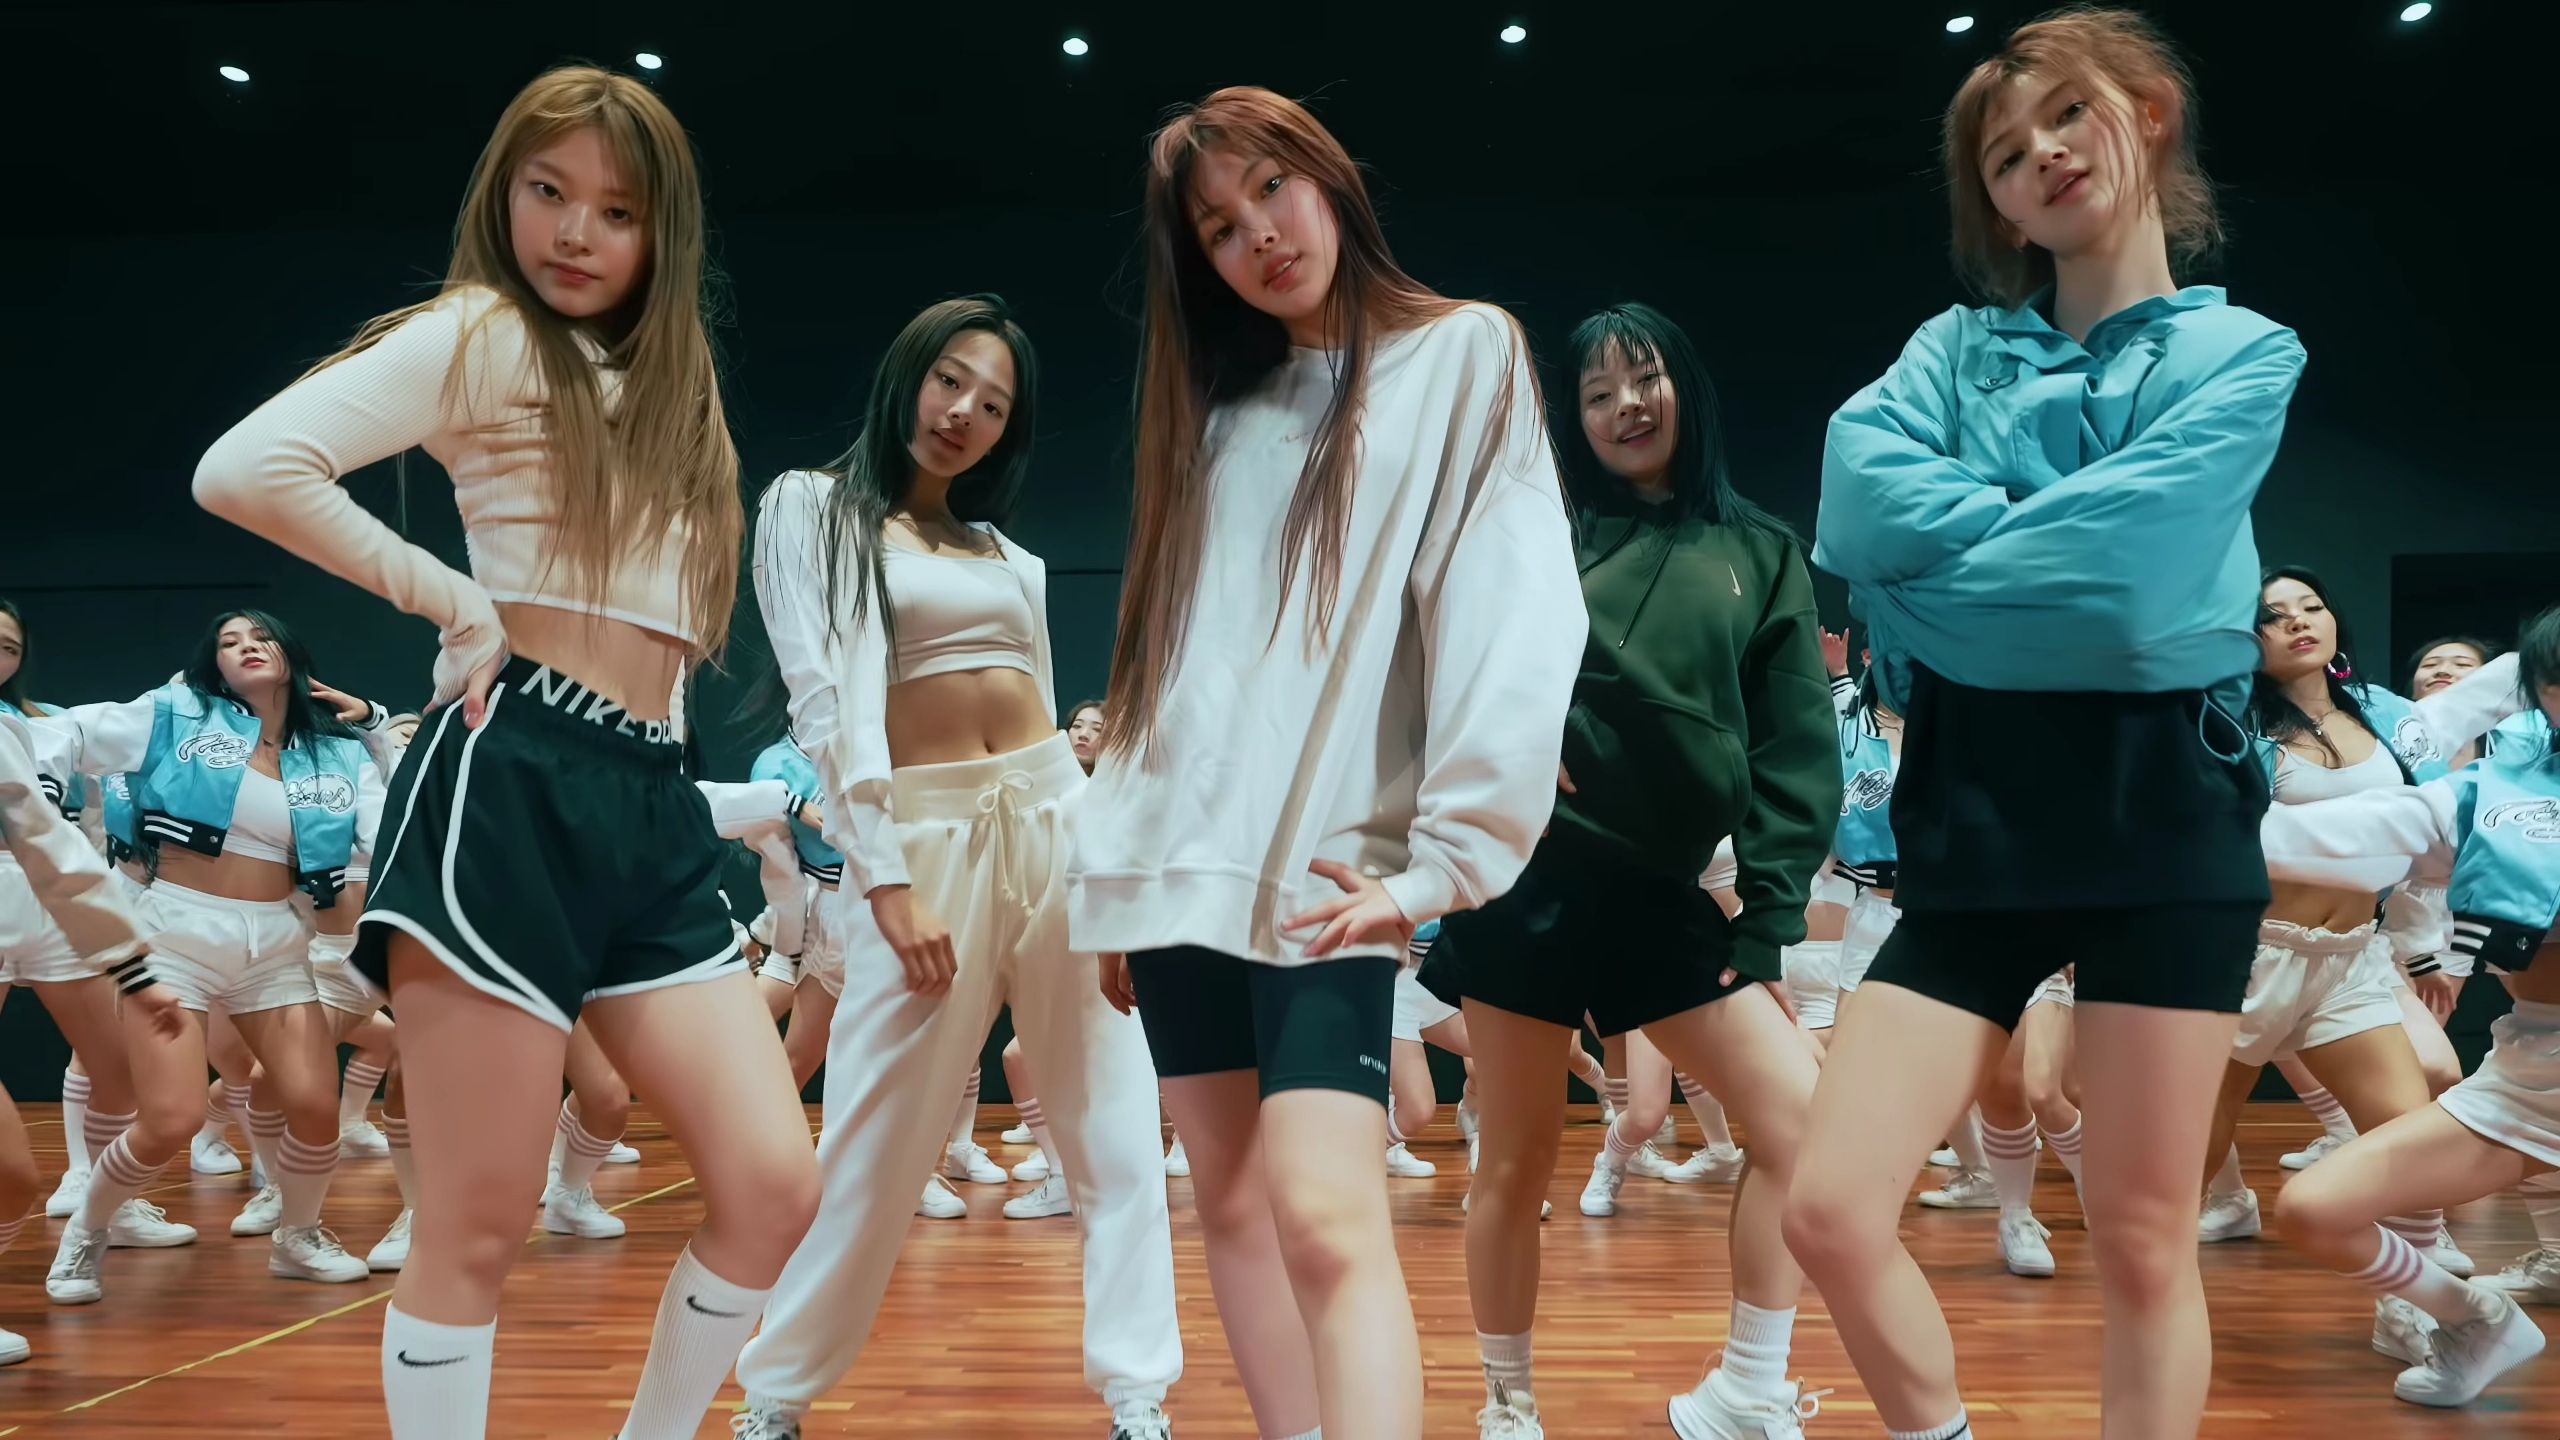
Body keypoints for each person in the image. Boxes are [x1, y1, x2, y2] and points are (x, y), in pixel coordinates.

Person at [187, 66, 819, 1440]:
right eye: (548, 191)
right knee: (477, 1217)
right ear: (504, 194)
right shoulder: (481, 331)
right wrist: (451, 600)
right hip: (508, 774)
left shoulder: (675, 382)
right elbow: (245, 468)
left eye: (617, 210)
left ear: (662, 234)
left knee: (777, 1186)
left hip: (647, 799)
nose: (576, 232)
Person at [1791, 11, 2306, 1439]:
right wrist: (2055, 559)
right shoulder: (1951, 350)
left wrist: (1944, 581)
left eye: (2066, 116)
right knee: (1828, 1207)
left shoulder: (2244, 353)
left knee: (2141, 1242)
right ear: (1997, 205)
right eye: (2007, 155)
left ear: (2145, 113)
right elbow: (1856, 512)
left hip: (2167, 829)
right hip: (1974, 829)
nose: (2042, 158)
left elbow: (2129, 594)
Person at [1074, 86, 1584, 1440]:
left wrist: (1443, 869)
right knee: (1234, 1206)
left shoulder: (1464, 352)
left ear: (1328, 178)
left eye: (1270, 189)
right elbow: (1172, 665)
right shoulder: (1217, 416)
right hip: (1178, 872)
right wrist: (1122, 870)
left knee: (1323, 1211)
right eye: (1216, 227)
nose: (1256, 234)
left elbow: (1513, 613)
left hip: (1325, 871)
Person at [734, 294, 1181, 1440]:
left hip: (1054, 824)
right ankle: (775, 1393)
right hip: (924, 844)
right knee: (875, 1137)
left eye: (993, 404)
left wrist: (1114, 887)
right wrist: (883, 879)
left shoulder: (1008, 556)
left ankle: (1138, 1394)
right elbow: (822, 705)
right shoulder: (809, 509)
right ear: (908, 373)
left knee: (1116, 1122)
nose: (964, 413)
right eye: (950, 381)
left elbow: (1056, 723)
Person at [1423, 299, 1836, 1438]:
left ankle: (1746, 1387)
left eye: (1643, 379)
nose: (1624, 407)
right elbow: (1439, 660)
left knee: (1802, 1125)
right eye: (1596, 392)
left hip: (1661, 895)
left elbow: (1794, 743)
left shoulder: (1761, 551)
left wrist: (1769, 914)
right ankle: (1507, 1404)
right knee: (1513, 1162)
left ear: (1683, 386)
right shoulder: (1535, 531)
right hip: (1526, 884)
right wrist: (1503, 740)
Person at [33, 610, 395, 1295]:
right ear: (215, 665)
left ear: (291, 654)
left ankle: (298, 1237)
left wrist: (375, 724)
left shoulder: (339, 755)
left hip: (278, 942)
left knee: (315, 1106)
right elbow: (71, 732)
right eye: (230, 642)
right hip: (176, 933)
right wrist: (38, 787)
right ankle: (87, 1231)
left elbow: (395, 834)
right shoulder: (176, 714)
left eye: (260, 637)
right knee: (173, 1117)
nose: (246, 647)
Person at [2253, 608, 2555, 1406]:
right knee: (2314, 1208)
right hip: (2531, 1074)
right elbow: (2322, 834)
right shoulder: (2487, 794)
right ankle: (2476, 1319)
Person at [0, 709, 188, 1365]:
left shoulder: (14, 734)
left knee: (12, 1176)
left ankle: (103, 1199)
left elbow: (52, 847)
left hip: (37, 902)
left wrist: (133, 973)